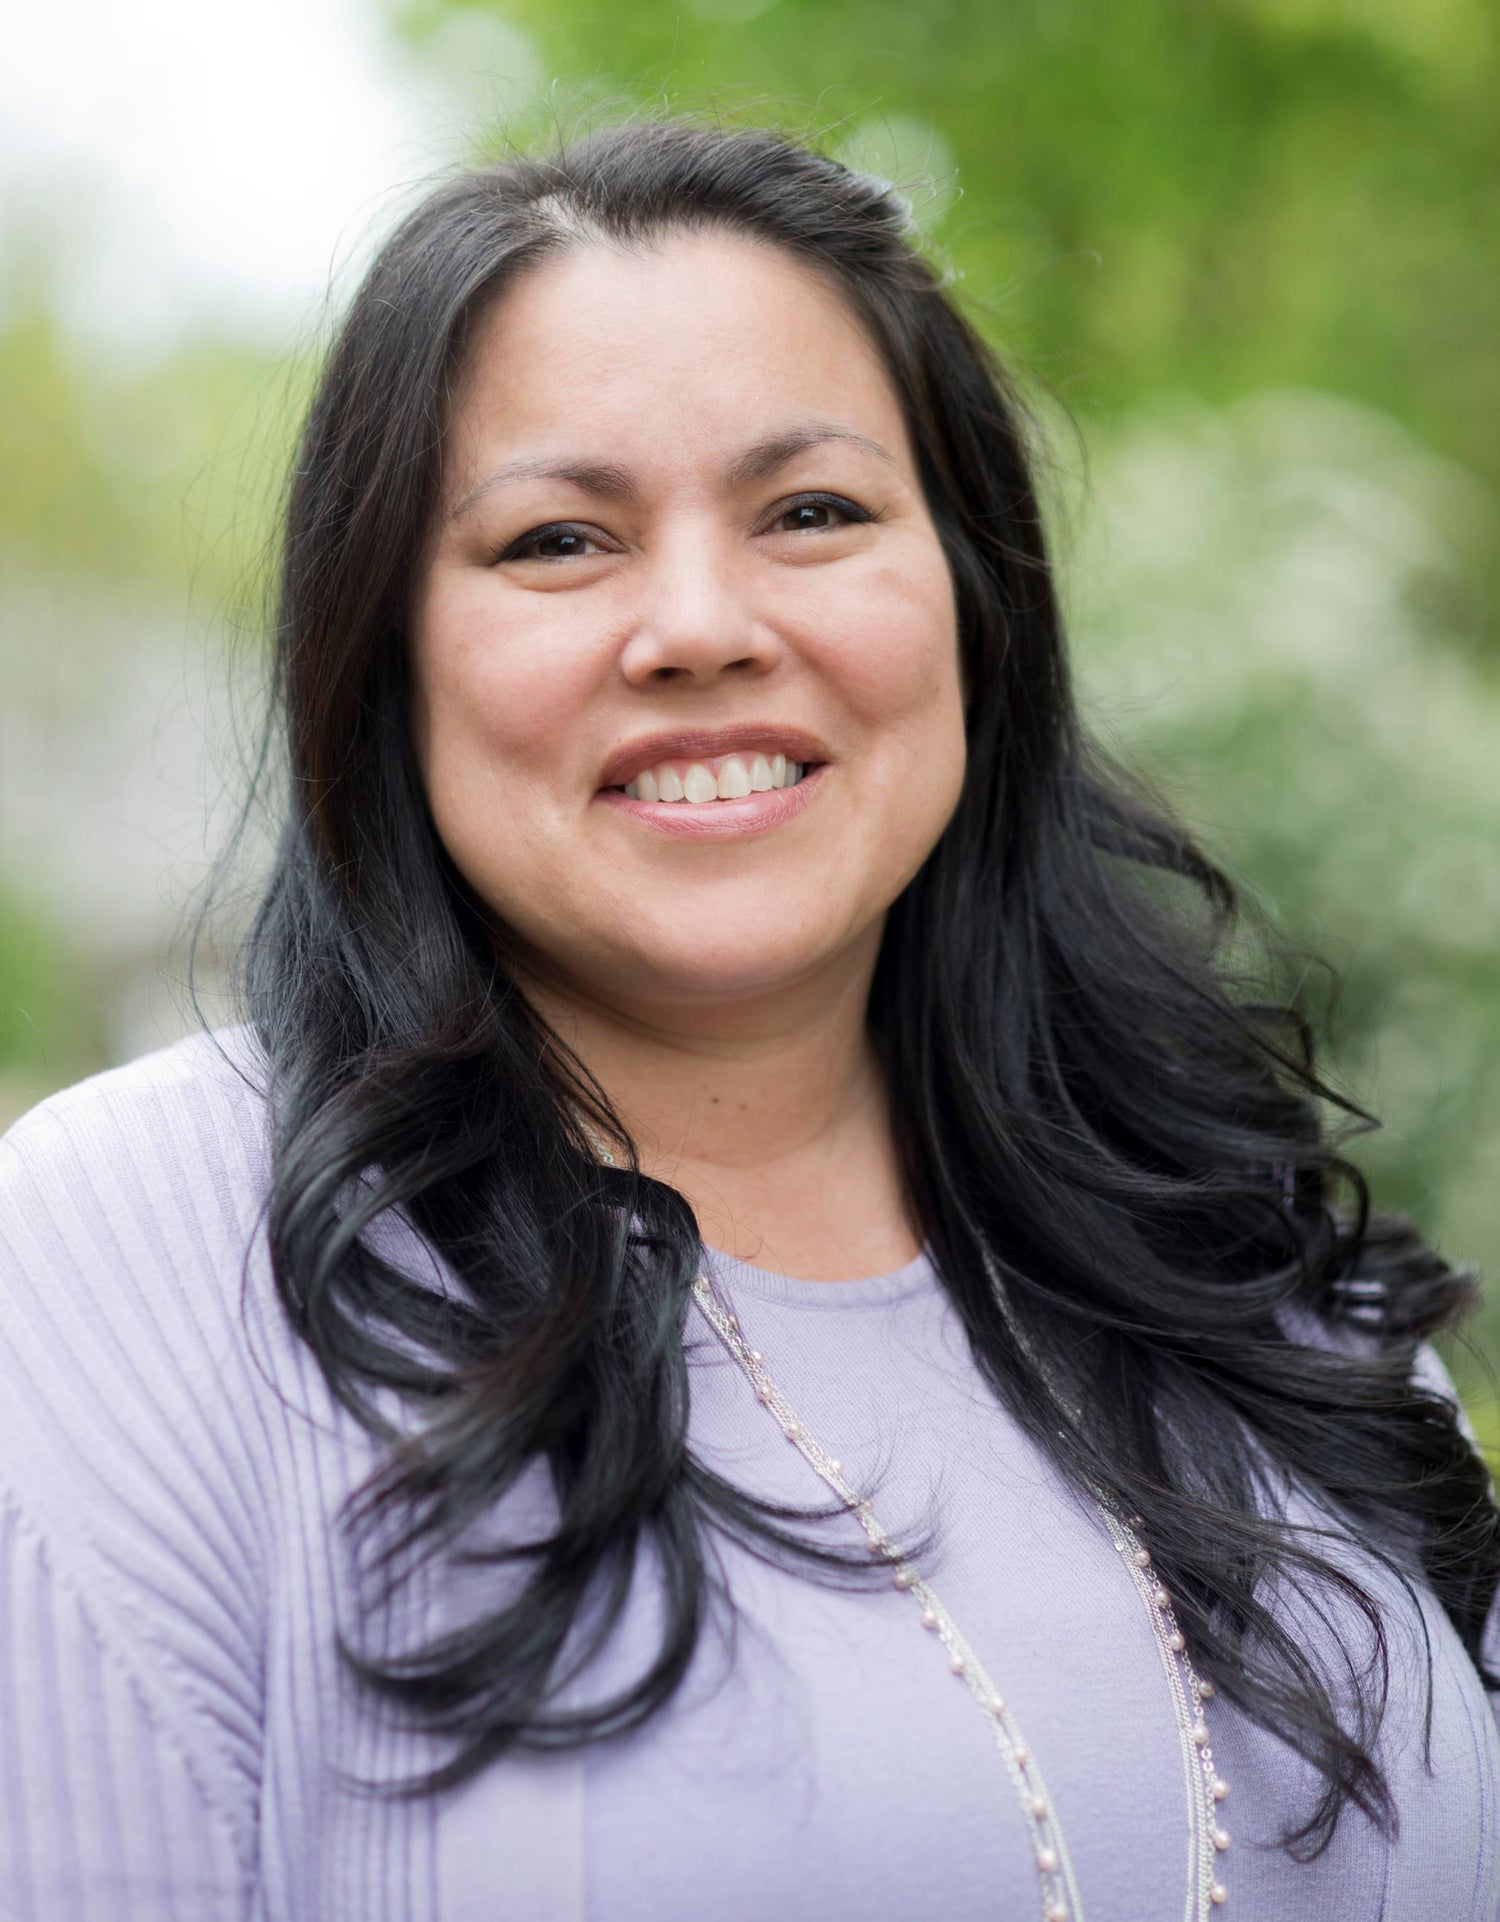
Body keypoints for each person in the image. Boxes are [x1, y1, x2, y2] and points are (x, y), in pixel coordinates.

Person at [0, 119, 1495, 1922]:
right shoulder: (136, 1258)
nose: (700, 625)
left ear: (975, 599)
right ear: (380, 658)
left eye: (813, 512)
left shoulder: (1263, 1272)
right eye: (558, 538)